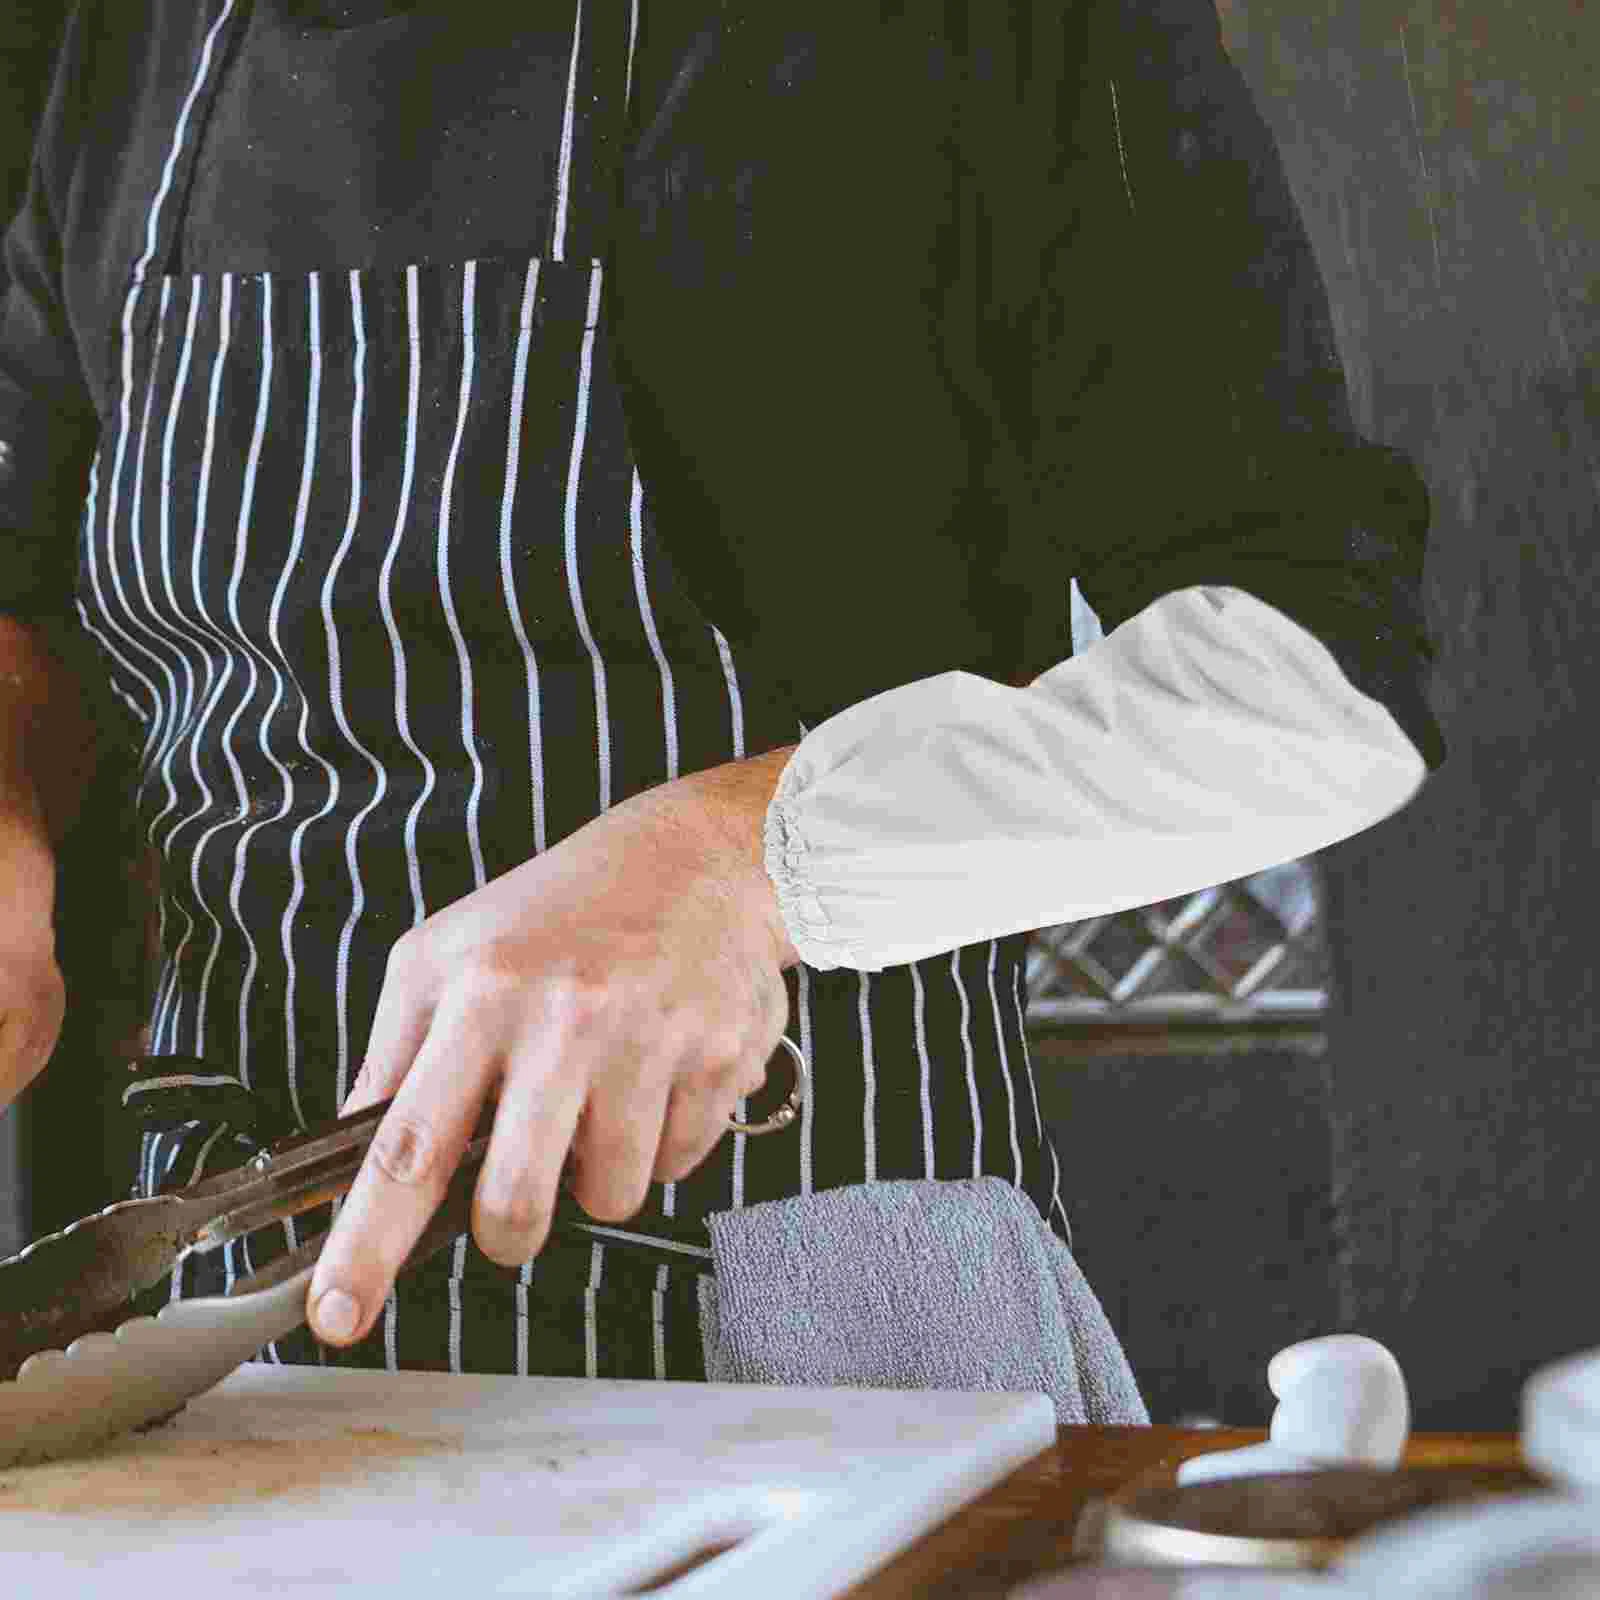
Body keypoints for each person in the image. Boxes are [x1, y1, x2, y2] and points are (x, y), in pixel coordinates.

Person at [0, 0, 1446, 1382]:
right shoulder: (125, 43)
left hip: (826, 1343)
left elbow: (1316, 686)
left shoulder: (978, 27)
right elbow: (31, 599)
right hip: (222, 1362)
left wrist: (746, 856)